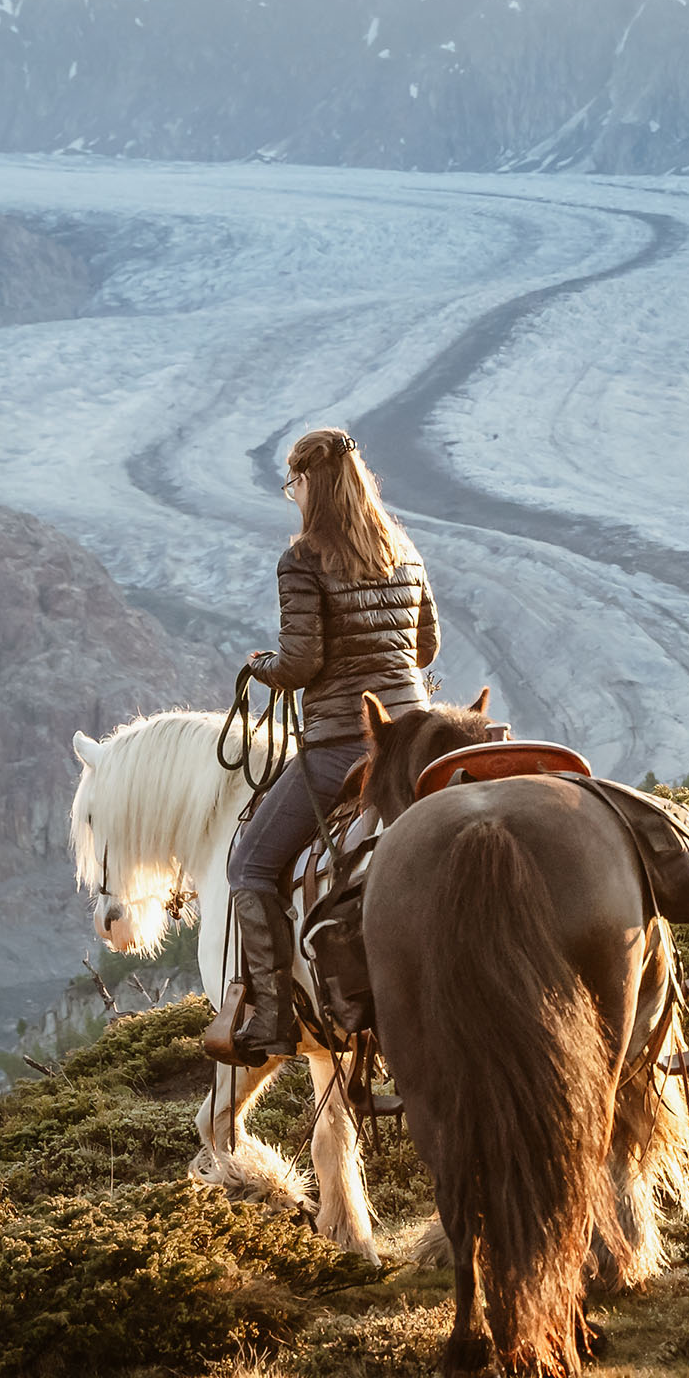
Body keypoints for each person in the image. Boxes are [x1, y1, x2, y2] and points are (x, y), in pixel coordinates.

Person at [216, 426, 441, 1064]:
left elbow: (303, 659)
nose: (293, 497)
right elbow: (425, 651)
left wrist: (264, 667)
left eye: (294, 485)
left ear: (309, 484)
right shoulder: (403, 549)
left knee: (250, 867)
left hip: (347, 743)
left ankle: (272, 1022)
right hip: (421, 741)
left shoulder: (304, 559)